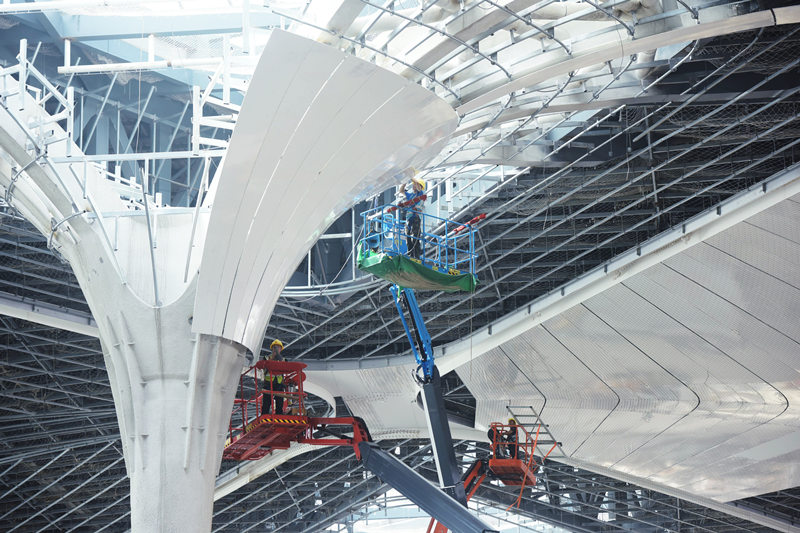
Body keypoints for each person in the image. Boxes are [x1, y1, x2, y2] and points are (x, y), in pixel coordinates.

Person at [403, 175, 425, 259]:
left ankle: (417, 256)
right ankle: (410, 255)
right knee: (408, 238)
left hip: (416, 217)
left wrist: (410, 175)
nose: (413, 186)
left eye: (415, 184)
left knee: (415, 237)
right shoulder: (410, 195)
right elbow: (402, 191)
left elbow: (418, 188)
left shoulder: (420, 194)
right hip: (408, 218)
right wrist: (404, 182)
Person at [262, 339, 285, 415]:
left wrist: (279, 358)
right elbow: (263, 365)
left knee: (280, 401)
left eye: (278, 347)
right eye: (275, 347)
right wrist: (274, 358)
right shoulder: (266, 358)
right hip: (268, 383)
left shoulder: (284, 360)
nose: (276, 349)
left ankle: (279, 415)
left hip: (279, 383)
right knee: (266, 401)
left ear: (281, 349)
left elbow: (287, 367)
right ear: (272, 348)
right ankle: (264, 415)